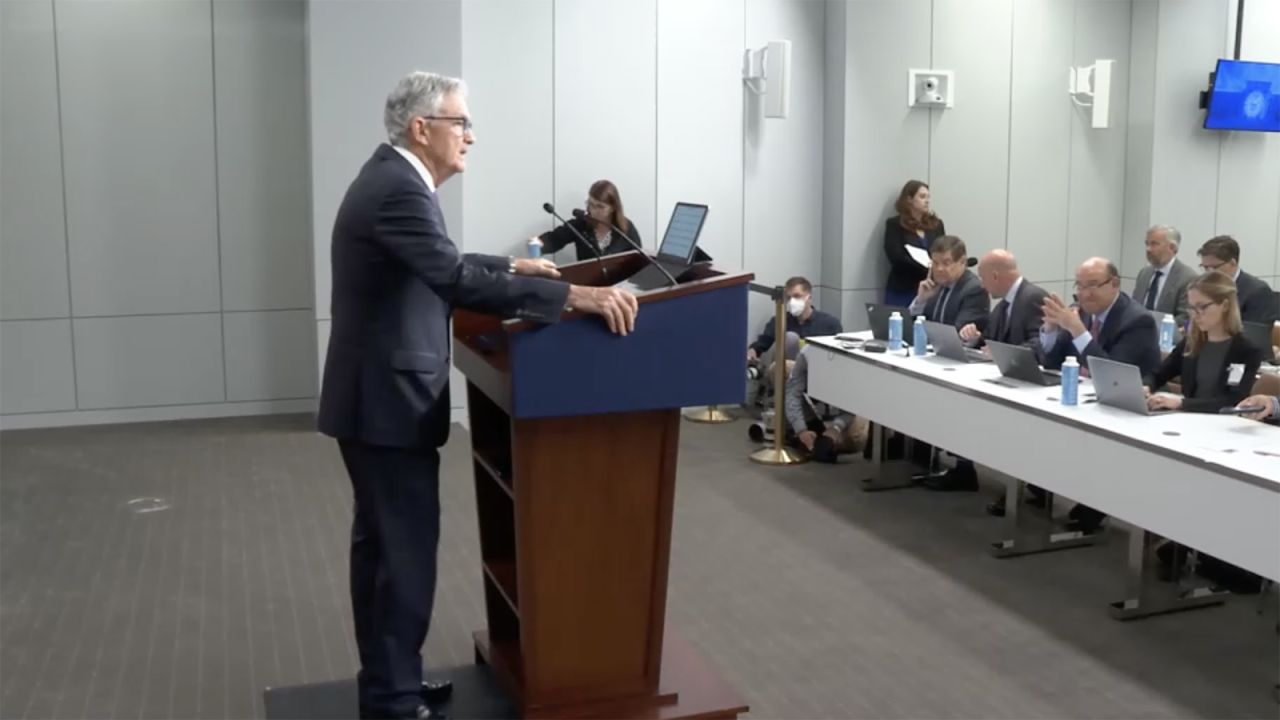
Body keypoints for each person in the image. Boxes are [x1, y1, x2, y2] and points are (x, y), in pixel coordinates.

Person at [317, 71, 638, 720]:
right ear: (421, 128)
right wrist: (577, 295)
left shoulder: (392, 180)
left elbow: (438, 261)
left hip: (375, 398)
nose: (470, 136)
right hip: (386, 403)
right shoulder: (398, 188)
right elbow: (450, 277)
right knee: (398, 557)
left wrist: (511, 267)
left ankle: (390, 682)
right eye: (460, 123)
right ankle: (392, 698)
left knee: (383, 552)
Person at [1038, 258, 1160, 533]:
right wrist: (1051, 329)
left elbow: (1110, 374)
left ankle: (1096, 502)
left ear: (1114, 284)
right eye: (1079, 286)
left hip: (1125, 408)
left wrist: (1078, 331)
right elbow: (1051, 361)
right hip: (1086, 399)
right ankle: (1036, 486)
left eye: (1093, 286)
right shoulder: (1081, 312)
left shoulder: (1137, 320)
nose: (1084, 294)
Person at [1145, 271, 1263, 413]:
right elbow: (1158, 374)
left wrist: (1182, 403)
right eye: (1192, 308)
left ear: (1225, 305)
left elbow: (1233, 400)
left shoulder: (1246, 351)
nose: (1195, 315)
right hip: (1188, 419)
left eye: (1202, 307)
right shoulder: (1191, 343)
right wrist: (1147, 386)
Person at [785, 345, 864, 462]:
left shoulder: (850, 366)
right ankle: (810, 428)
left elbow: (856, 403)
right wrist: (801, 429)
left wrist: (836, 428)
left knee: (857, 438)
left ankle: (827, 439)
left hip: (850, 410)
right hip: (817, 407)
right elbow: (793, 392)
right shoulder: (806, 355)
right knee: (779, 368)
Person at [959, 249, 1048, 348]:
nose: (983, 285)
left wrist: (1002, 352)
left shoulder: (1034, 298)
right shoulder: (1002, 306)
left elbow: (1042, 343)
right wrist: (974, 339)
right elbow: (989, 341)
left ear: (995, 276)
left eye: (983, 278)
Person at [536, 180, 642, 262]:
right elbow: (554, 239)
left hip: (620, 286)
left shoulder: (625, 228)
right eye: (591, 204)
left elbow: (640, 259)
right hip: (588, 287)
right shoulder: (582, 224)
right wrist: (538, 243)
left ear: (613, 208)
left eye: (600, 207)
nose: (593, 210)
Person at [746, 276, 842, 362]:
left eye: (797, 296)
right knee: (791, 338)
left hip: (814, 373)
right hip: (783, 374)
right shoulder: (779, 321)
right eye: (788, 297)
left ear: (809, 298)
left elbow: (839, 356)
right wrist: (752, 351)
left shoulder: (830, 324)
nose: (792, 301)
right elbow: (762, 343)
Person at [883, 180, 947, 307]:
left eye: (928, 197)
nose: (927, 201)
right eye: (922, 197)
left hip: (931, 286)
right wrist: (925, 265)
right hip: (903, 286)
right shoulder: (895, 224)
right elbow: (895, 255)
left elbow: (944, 249)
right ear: (909, 199)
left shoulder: (936, 224)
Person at [907, 235, 987, 331]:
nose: (939, 269)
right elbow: (910, 327)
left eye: (946, 263)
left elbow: (958, 333)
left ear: (962, 262)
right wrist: (921, 300)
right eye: (935, 263)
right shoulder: (934, 286)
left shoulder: (974, 290)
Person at [1196, 235, 1278, 325]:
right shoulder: (1204, 288)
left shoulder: (1258, 291)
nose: (1209, 273)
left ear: (1232, 263)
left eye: (1214, 267)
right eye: (1205, 267)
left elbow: (1254, 334)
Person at [1133, 224, 1196, 327]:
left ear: (1172, 248)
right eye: (1147, 244)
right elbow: (1134, 306)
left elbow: (1185, 317)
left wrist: (1153, 328)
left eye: (1154, 244)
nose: (1148, 249)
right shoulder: (1144, 274)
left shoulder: (1188, 278)